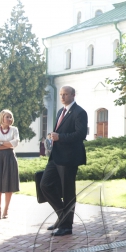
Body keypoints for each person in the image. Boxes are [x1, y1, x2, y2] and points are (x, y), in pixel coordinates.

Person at [39, 87, 88, 237]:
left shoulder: (80, 112)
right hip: (56, 156)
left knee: (68, 192)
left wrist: (60, 137)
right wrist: (53, 136)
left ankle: (66, 227)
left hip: (69, 158)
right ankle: (62, 216)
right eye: (61, 94)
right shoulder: (61, 111)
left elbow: (80, 134)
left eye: (65, 94)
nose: (62, 97)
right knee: (44, 185)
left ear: (73, 95)